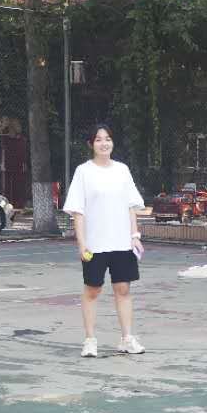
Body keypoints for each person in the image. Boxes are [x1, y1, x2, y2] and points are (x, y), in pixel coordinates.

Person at [63, 121, 146, 358]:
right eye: (98, 139)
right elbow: (78, 212)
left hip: (122, 243)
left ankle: (127, 339)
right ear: (91, 144)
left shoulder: (122, 170)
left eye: (107, 139)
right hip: (95, 245)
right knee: (93, 290)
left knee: (123, 289)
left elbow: (131, 205)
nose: (104, 143)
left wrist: (135, 236)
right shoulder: (83, 172)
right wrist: (82, 244)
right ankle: (90, 340)